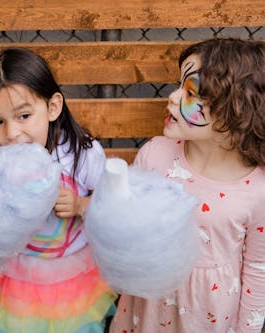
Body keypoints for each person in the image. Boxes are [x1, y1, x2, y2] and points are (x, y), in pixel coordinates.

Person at [110, 38, 265, 333]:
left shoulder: (259, 190)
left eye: (191, 92)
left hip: (209, 316)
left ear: (236, 108)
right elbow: (126, 228)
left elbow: (259, 271)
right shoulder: (154, 155)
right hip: (148, 309)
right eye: (179, 84)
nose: (172, 96)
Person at [0, 47, 117, 332]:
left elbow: (113, 203)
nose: (11, 134)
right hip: (16, 278)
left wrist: (80, 206)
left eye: (23, 116)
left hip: (72, 276)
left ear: (52, 107)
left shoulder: (81, 154)